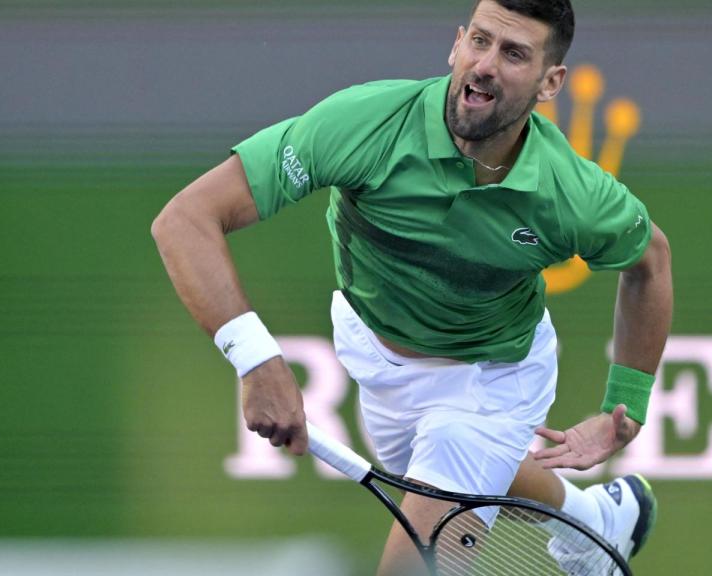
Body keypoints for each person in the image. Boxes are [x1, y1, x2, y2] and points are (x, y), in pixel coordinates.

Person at [152, 0, 673, 573]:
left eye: (514, 53)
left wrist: (625, 404)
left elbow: (650, 261)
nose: (486, 64)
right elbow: (185, 220)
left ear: (551, 82)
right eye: (479, 41)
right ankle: (595, 519)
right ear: (456, 45)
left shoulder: (570, 192)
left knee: (422, 542)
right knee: (461, 472)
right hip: (378, 360)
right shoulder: (365, 123)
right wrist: (257, 362)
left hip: (491, 378)